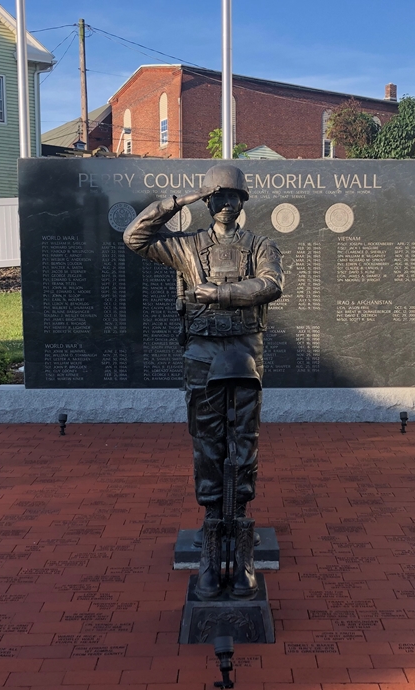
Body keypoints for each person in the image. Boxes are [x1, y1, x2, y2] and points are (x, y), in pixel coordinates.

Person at [123, 165, 283, 600]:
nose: (228, 204)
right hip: (202, 352)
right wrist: (178, 202)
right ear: (209, 201)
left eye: (235, 196)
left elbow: (272, 284)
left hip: (245, 349)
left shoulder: (260, 245)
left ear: (244, 202)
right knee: (207, 440)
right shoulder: (187, 246)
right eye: (219, 196)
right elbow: (134, 238)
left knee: (243, 439)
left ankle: (241, 539)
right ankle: (213, 543)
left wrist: (221, 294)